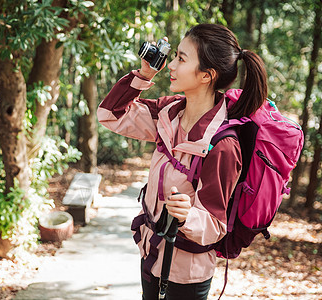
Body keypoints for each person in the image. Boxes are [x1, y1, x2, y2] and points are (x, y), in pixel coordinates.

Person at [97, 23, 268, 300]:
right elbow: (110, 115)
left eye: (181, 58)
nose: (171, 66)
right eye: (174, 56)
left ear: (206, 76)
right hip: (151, 256)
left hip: (186, 275)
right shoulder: (170, 112)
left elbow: (215, 224)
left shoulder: (223, 146)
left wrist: (188, 215)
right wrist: (143, 75)